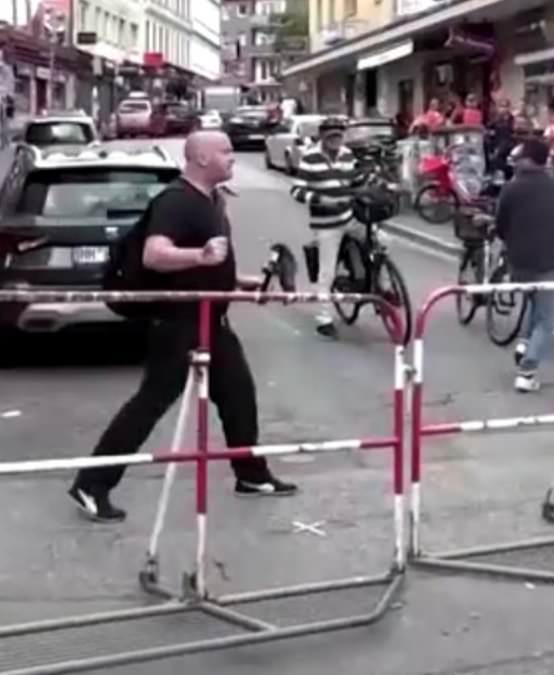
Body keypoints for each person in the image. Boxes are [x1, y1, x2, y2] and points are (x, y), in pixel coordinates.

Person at [69, 131, 297, 522]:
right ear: (202, 159)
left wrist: (243, 283)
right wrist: (201, 255)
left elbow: (209, 267)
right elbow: (156, 255)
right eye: (225, 152)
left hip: (211, 317)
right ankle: (91, 485)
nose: (232, 158)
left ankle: (251, 474)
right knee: (150, 403)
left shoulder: (212, 200)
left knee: (239, 394)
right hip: (179, 322)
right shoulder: (176, 200)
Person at [494, 138, 554, 393]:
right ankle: (527, 371)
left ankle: (523, 344)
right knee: (547, 318)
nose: (517, 161)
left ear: (528, 160)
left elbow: (501, 227)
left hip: (518, 263)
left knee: (535, 304)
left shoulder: (510, 189)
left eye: (521, 157)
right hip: (548, 261)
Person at [290, 116, 360, 338]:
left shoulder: (348, 154)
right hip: (326, 222)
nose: (335, 140)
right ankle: (324, 319)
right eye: (330, 136)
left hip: (349, 216)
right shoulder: (310, 158)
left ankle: (383, 287)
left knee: (378, 244)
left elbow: (355, 180)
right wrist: (321, 199)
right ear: (322, 136)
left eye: (338, 135)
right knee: (327, 271)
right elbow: (296, 191)